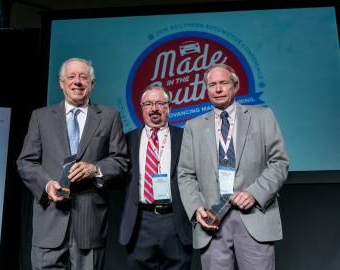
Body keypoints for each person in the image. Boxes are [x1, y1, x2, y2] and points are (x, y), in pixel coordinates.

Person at [17, 58, 128, 270]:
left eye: (83, 77)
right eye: (71, 77)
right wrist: (47, 184)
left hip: (89, 223)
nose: (77, 82)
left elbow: (121, 161)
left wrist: (95, 169)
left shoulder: (109, 117)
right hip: (49, 220)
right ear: (61, 83)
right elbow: (25, 162)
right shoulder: (40, 117)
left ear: (92, 84)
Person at [178, 64, 289, 270]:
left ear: (235, 86)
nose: (218, 89)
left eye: (223, 83)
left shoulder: (262, 117)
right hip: (212, 220)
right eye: (212, 85)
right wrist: (196, 209)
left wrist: (255, 193)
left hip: (254, 216)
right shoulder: (193, 126)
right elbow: (185, 174)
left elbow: (279, 163)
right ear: (207, 89)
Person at [119, 85, 192, 270]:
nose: (154, 109)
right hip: (140, 222)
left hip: (176, 220)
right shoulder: (126, 140)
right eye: (148, 104)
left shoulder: (186, 138)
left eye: (160, 103)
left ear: (170, 107)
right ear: (141, 107)